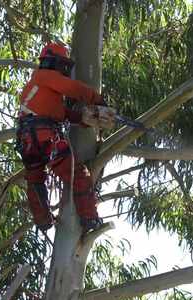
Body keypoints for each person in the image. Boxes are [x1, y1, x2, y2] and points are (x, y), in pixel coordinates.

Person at [16, 42, 112, 233]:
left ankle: (43, 220)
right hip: (45, 137)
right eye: (63, 65)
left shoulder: (37, 86)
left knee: (35, 180)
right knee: (78, 174)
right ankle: (89, 219)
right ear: (54, 63)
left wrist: (83, 119)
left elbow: (61, 112)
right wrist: (97, 99)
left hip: (27, 141)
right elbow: (73, 88)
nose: (64, 70)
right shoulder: (46, 76)